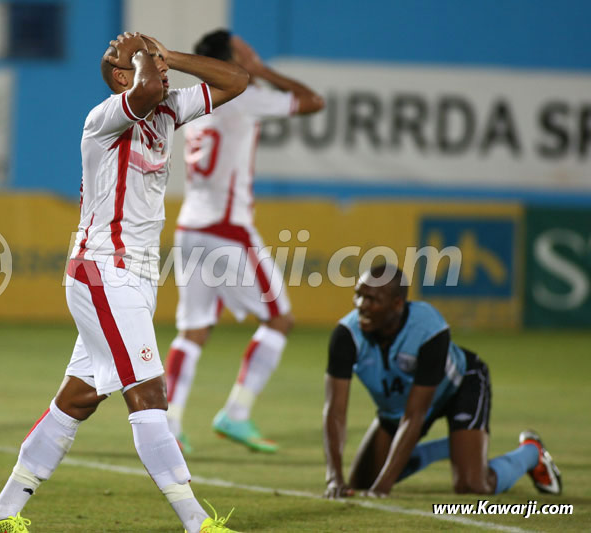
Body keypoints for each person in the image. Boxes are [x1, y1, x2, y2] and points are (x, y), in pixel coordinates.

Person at [0, 33, 248, 533]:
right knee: (148, 393)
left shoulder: (168, 109)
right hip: (102, 270)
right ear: (123, 76)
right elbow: (144, 92)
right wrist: (147, 61)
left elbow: (237, 80)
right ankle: (197, 522)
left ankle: (1, 515)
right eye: (145, 61)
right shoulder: (105, 117)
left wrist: (170, 57)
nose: (159, 70)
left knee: (77, 398)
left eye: (158, 60)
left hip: (137, 278)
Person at [164, 30, 324, 453]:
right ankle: (236, 413)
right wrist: (261, 71)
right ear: (231, 60)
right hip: (227, 229)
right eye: (243, 49)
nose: (251, 50)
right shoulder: (242, 96)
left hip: (190, 227)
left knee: (192, 330)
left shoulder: (196, 100)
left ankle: (171, 422)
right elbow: (313, 101)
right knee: (279, 319)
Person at [323, 265, 562, 498]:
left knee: (473, 485)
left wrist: (382, 488)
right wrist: (335, 478)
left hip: (459, 387)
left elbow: (415, 415)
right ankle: (455, 447)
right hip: (398, 407)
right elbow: (334, 412)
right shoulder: (346, 335)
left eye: (372, 299)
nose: (361, 306)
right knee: (361, 482)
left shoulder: (428, 329)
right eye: (358, 295)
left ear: (397, 304)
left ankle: (531, 452)